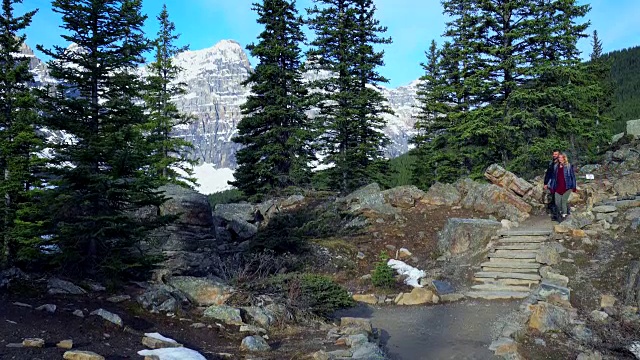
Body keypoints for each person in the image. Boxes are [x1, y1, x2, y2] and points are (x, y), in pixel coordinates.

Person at [548, 153, 577, 221]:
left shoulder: (568, 166)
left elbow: (573, 177)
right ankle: (561, 214)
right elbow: (553, 178)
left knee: (563, 201)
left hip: (567, 187)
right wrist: (551, 186)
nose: (560, 159)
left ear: (564, 158)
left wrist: (574, 186)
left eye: (561, 157)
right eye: (559, 158)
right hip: (558, 187)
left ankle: (564, 215)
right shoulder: (556, 166)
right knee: (557, 203)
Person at [543, 150, 560, 219]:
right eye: (554, 154)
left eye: (556, 154)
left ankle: (561, 214)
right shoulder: (551, 163)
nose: (554, 155)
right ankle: (555, 215)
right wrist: (545, 183)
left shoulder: (562, 163)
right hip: (553, 183)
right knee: (553, 198)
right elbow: (548, 174)